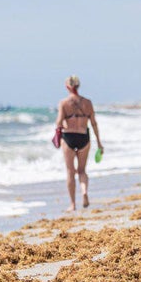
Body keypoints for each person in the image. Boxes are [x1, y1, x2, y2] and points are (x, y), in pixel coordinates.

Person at [55, 75, 103, 211]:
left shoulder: (63, 103)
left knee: (70, 172)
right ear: (78, 86)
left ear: (67, 87)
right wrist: (99, 143)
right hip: (83, 137)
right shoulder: (88, 102)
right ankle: (84, 192)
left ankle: (72, 204)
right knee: (82, 171)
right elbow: (93, 123)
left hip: (69, 137)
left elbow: (58, 122)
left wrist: (59, 131)